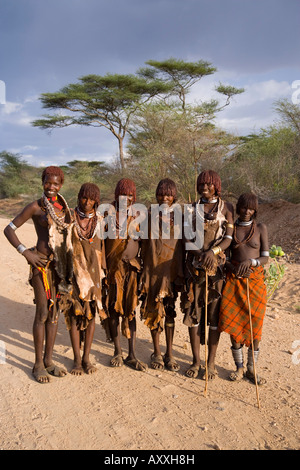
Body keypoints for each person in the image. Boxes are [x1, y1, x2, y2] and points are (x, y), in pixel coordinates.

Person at [4, 166, 72, 383]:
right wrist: (26, 253)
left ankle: (49, 361)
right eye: (47, 183)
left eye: (55, 184)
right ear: (42, 182)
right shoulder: (35, 207)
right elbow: (9, 229)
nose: (51, 187)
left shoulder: (64, 209)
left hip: (59, 268)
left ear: (61, 185)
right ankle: (37, 364)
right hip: (40, 266)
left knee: (54, 315)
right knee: (42, 313)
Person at [181, 170, 234, 380]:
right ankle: (196, 361)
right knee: (193, 314)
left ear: (216, 186)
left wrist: (214, 252)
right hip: (194, 268)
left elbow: (228, 237)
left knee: (213, 316)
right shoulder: (191, 209)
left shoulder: (226, 208)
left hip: (217, 271)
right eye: (201, 184)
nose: (204, 187)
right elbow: (186, 239)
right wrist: (201, 254)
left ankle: (210, 363)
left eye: (209, 185)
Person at [218, 193, 269, 385]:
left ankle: (251, 368)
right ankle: (239, 367)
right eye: (244, 207)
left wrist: (251, 262)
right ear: (238, 208)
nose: (247, 212)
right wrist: (235, 267)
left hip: (255, 282)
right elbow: (226, 257)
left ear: (255, 210)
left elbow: (265, 257)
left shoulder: (261, 228)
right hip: (234, 281)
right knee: (235, 322)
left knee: (255, 324)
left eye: (251, 208)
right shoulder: (231, 228)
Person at [62, 183, 107, 375]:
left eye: (92, 199)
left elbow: (103, 248)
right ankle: (77, 360)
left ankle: (87, 358)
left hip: (94, 276)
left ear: (96, 201)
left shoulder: (101, 220)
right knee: (74, 316)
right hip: (74, 274)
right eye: (84, 198)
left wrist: (104, 273)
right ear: (79, 197)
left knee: (91, 317)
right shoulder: (68, 217)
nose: (87, 203)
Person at [140, 178, 184, 371]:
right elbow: (141, 244)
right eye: (161, 194)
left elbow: (185, 247)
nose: (164, 197)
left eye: (168, 194)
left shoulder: (181, 218)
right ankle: (157, 352)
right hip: (153, 272)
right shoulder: (148, 216)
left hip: (171, 273)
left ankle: (170, 353)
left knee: (170, 312)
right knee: (153, 311)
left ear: (174, 196)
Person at [103, 178, 147, 372]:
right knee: (113, 308)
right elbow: (99, 243)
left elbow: (145, 242)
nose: (126, 198)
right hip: (113, 269)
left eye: (130, 195)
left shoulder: (139, 214)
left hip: (133, 269)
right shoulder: (107, 213)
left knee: (131, 309)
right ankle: (117, 351)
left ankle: (132, 354)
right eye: (123, 194)